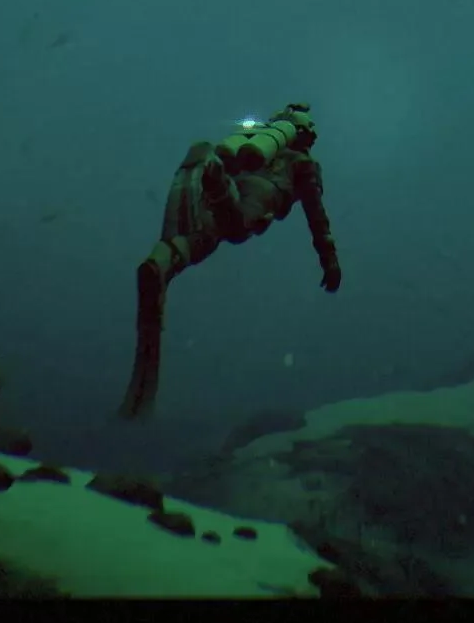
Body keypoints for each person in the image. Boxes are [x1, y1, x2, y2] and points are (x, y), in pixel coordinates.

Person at [118, 103, 342, 419]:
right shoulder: (302, 163)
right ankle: (214, 187)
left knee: (203, 235)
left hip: (220, 198)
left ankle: (166, 257)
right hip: (248, 206)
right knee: (234, 225)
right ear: (306, 137)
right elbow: (316, 215)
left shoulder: (252, 146)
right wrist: (329, 259)